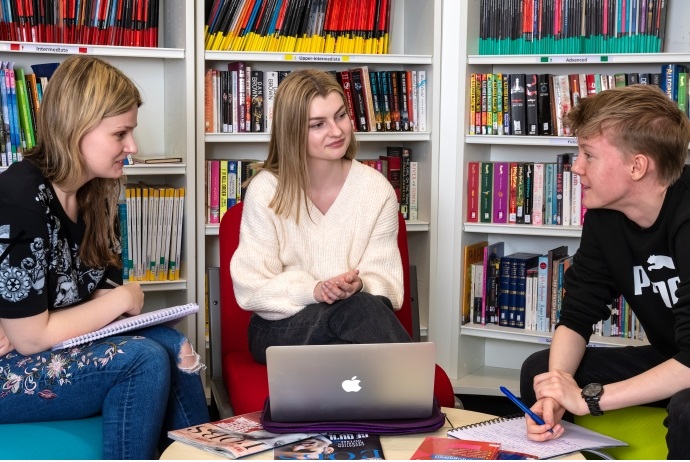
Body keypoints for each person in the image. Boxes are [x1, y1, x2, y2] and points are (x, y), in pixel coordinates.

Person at [0, 55, 209, 459]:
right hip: (9, 369)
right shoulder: (18, 199)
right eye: (121, 134)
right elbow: (31, 339)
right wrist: (123, 298)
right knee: (142, 360)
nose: (132, 147)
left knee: (172, 343)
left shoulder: (96, 192)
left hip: (43, 348)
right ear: (76, 129)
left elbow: (98, 298)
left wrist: (115, 301)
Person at [519, 84, 690, 458]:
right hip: (673, 359)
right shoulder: (604, 216)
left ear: (637, 165)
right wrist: (557, 387)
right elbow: (579, 311)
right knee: (541, 370)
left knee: (687, 409)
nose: (576, 167)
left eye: (588, 155)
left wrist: (588, 400)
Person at [230, 68, 411, 364]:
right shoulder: (267, 189)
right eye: (318, 124)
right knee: (359, 311)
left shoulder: (376, 189)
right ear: (292, 132)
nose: (337, 131)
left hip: (354, 325)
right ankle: (422, 399)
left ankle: (399, 400)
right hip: (279, 330)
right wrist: (314, 290)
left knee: (360, 312)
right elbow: (252, 287)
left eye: (341, 116)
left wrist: (359, 285)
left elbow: (387, 283)